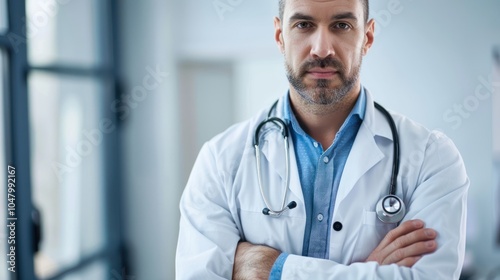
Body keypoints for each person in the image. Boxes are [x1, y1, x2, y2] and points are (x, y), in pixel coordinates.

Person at [176, 0, 469, 279]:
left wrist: (273, 269)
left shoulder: (432, 157)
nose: (321, 49)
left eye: (341, 25)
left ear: (367, 37)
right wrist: (368, 270)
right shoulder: (220, 160)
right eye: (304, 25)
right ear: (280, 36)